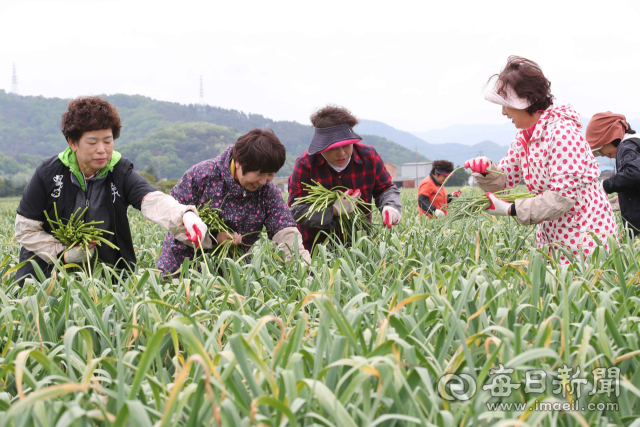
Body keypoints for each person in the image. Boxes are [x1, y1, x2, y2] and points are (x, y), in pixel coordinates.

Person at [14, 96, 209, 283]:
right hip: (46, 277)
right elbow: (26, 229)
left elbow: (152, 199)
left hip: (106, 277)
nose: (102, 149)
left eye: (107, 141)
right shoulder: (48, 174)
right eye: (92, 142)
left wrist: (185, 215)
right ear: (72, 143)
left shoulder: (120, 170)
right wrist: (62, 254)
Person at [464, 56, 618, 262]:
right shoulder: (524, 137)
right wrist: (486, 170)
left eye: (506, 104)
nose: (503, 112)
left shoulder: (562, 134)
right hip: (554, 234)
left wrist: (511, 209)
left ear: (525, 102)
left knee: (579, 290)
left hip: (585, 236)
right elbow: (505, 180)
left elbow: (561, 198)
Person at [156, 129, 310, 275]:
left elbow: (286, 233)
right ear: (239, 163)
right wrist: (213, 238)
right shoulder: (201, 176)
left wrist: (308, 275)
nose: (264, 181)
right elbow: (174, 216)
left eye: (270, 174)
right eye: (259, 174)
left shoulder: (267, 192)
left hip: (233, 272)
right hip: (182, 268)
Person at [288, 105, 402, 250]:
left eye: (346, 146)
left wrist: (390, 206)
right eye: (333, 148)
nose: (341, 153)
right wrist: (333, 210)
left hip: (359, 244)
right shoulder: (306, 165)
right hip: (316, 248)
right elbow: (295, 211)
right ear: (321, 146)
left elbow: (386, 189)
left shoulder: (369, 157)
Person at [586, 112, 640, 237]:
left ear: (611, 137)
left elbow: (635, 173)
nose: (603, 155)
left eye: (600, 149)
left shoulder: (626, 147)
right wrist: (622, 201)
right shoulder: (635, 145)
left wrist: (605, 185)